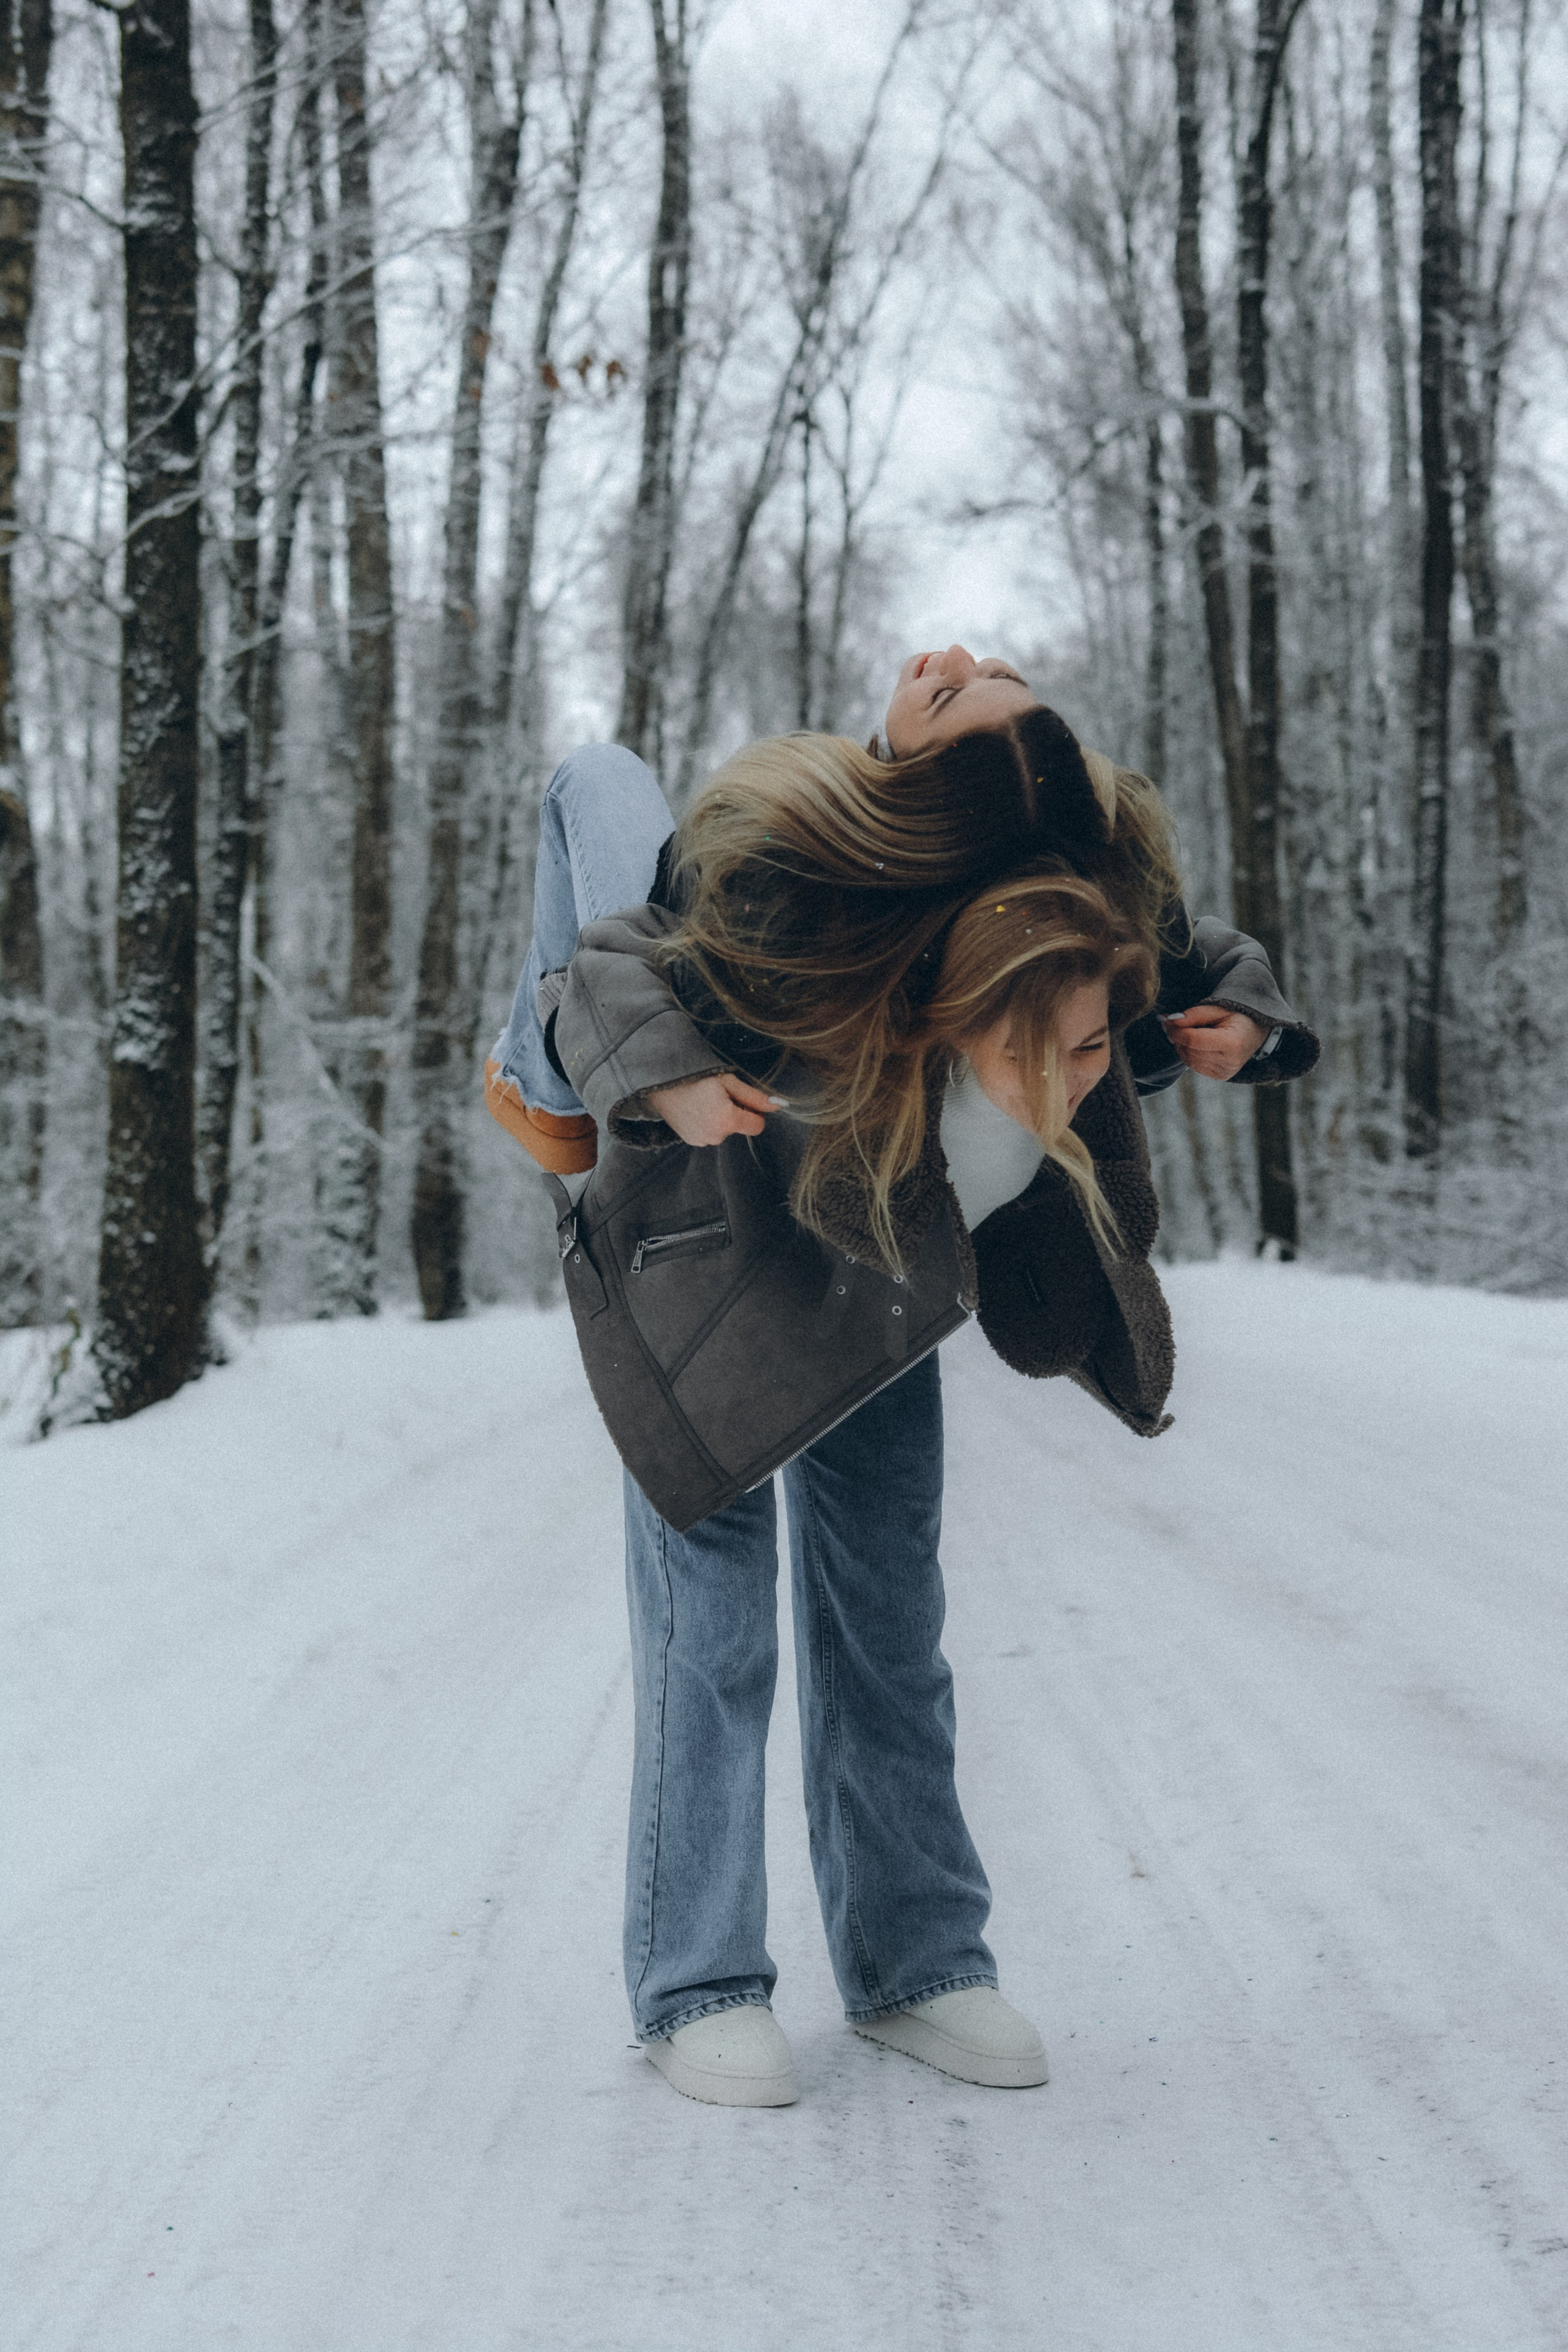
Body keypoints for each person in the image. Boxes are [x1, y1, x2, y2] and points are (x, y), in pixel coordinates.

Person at [486, 655, 1317, 2109]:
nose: (948, 658)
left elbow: (1197, 954)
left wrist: (1241, 1022)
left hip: (872, 1272)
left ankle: (918, 1963)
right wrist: (657, 1070)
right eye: (958, 676)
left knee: (889, 1623)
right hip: (702, 1262)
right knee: (714, 1630)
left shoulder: (1063, 941)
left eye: (981, 689)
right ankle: (698, 1984)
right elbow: (616, 963)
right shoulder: (788, 895)